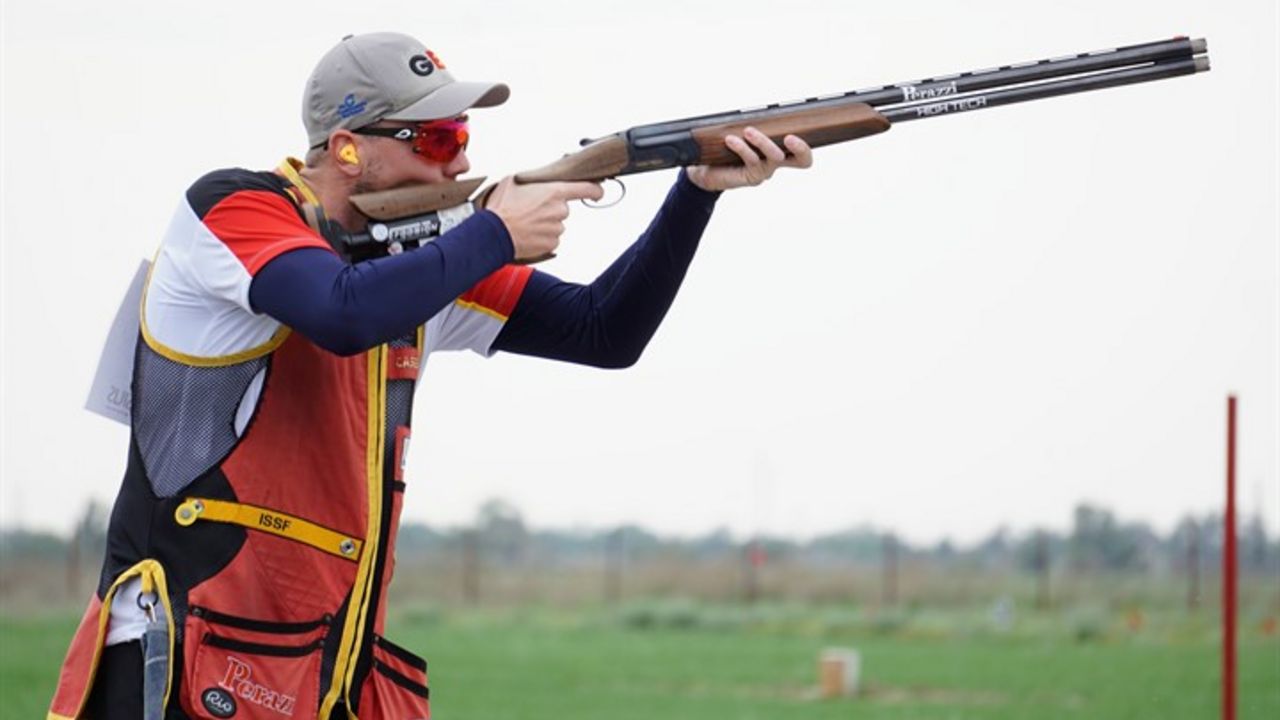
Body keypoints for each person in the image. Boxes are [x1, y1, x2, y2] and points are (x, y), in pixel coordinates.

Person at [49, 31, 812, 719]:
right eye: (438, 136)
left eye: (463, 135)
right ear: (347, 149)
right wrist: (492, 232)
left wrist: (695, 195)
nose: (463, 160)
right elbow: (341, 313)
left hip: (318, 675)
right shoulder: (232, 208)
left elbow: (603, 331)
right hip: (176, 661)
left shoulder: (413, 264)